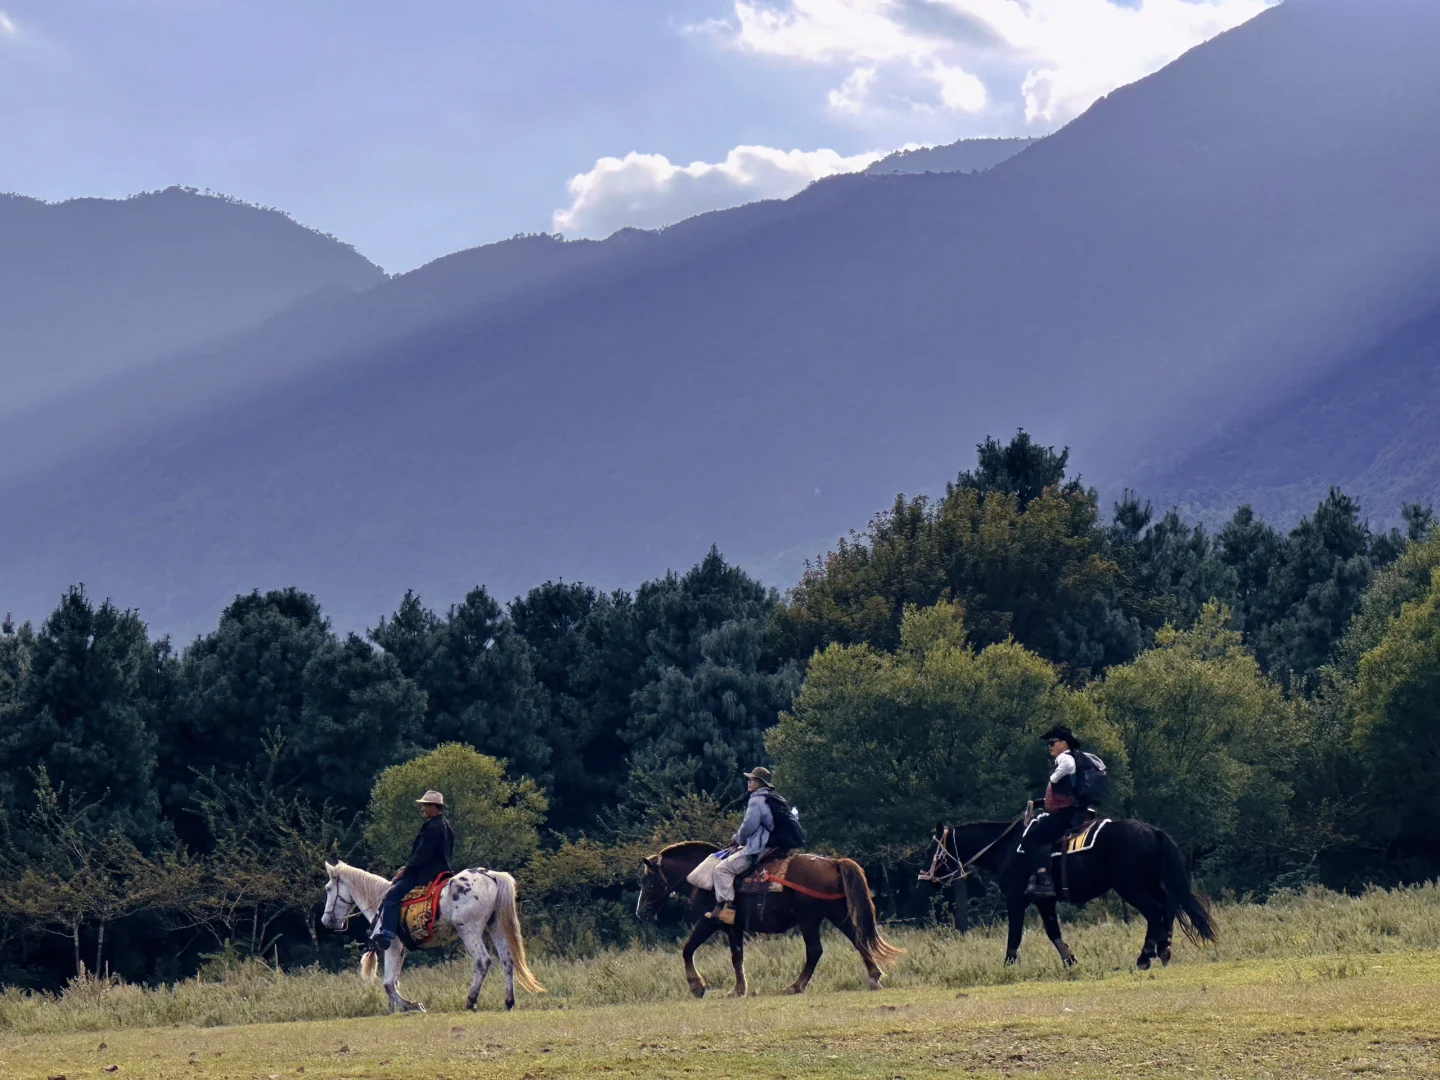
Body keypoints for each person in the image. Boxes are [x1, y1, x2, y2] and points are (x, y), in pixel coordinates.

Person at [1018, 726, 1098, 899]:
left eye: (1052, 743)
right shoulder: (1069, 759)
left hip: (1065, 815)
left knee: (1030, 841)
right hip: (1069, 811)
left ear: (1064, 743)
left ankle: (1045, 881)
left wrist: (1053, 777)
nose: (1050, 747)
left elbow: (1060, 781)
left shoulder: (1065, 759)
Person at [370, 789, 455, 950]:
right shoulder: (445, 826)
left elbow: (422, 854)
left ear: (434, 806)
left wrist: (406, 870)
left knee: (392, 895)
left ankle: (387, 933)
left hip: (425, 874)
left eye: (425, 805)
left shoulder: (432, 827)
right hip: (441, 871)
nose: (423, 809)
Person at [707, 767, 779, 926]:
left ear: (760, 783)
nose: (749, 782)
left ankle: (727, 910)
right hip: (775, 845)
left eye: (752, 779)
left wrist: (738, 838)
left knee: (721, 869)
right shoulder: (774, 799)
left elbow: (748, 827)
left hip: (759, 847)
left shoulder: (756, 799)